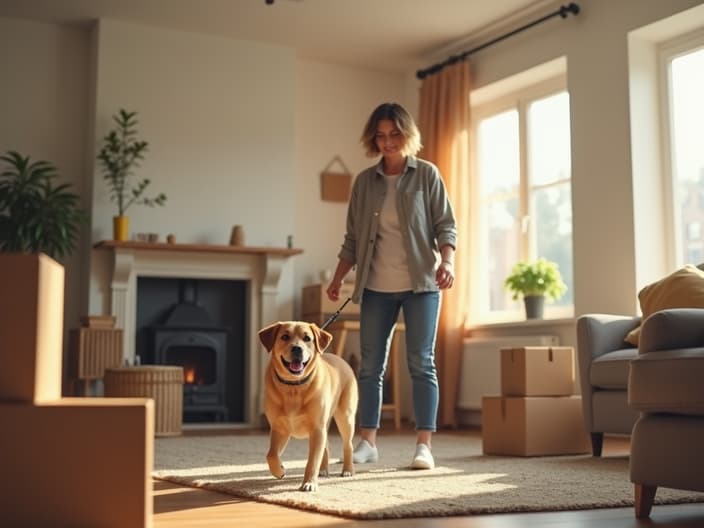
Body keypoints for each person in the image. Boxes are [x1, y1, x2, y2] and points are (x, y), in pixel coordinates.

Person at [326, 102, 457, 470]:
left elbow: (446, 225)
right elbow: (353, 238)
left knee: (421, 362)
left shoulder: (427, 175)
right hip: (375, 288)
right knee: (370, 367)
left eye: (394, 134)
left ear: (407, 135)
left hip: (421, 285)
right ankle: (367, 440)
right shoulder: (364, 182)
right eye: (380, 136)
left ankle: (423, 445)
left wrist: (447, 261)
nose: (387, 142)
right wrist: (339, 277)